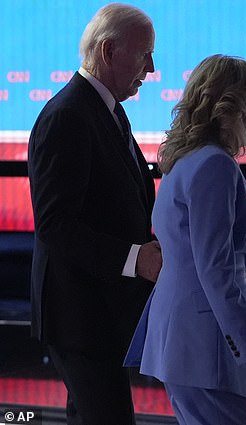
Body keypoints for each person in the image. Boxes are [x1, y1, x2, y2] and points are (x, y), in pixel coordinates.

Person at [124, 54, 246, 425]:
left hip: (187, 346)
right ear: (228, 108)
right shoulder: (214, 165)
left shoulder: (187, 161)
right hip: (204, 349)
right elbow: (216, 273)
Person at [27, 3, 162, 425]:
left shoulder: (104, 108)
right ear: (108, 51)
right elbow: (57, 227)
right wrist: (133, 258)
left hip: (99, 314)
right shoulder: (68, 115)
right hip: (78, 318)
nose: (152, 67)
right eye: (145, 54)